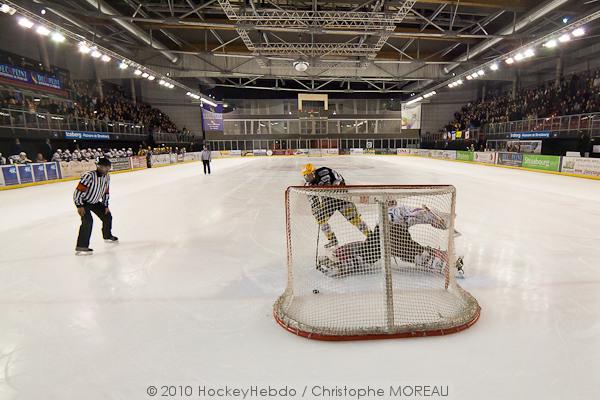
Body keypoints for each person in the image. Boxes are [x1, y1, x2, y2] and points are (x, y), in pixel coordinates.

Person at [302, 163, 369, 248]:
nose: (309, 178)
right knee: (320, 220)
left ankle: (370, 236)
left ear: (314, 172)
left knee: (355, 220)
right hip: (328, 201)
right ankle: (332, 240)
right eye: (306, 176)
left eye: (310, 175)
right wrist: (316, 210)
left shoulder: (324, 171)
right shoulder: (308, 186)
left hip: (341, 197)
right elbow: (313, 201)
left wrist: (337, 187)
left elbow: (339, 179)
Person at [73, 158, 118, 254]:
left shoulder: (107, 177)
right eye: (102, 167)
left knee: (107, 217)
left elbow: (106, 192)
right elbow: (78, 191)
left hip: (95, 202)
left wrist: (105, 205)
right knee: (88, 221)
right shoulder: (89, 176)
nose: (104, 169)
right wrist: (79, 205)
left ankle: (107, 235)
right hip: (84, 202)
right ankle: (81, 246)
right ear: (98, 166)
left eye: (107, 167)